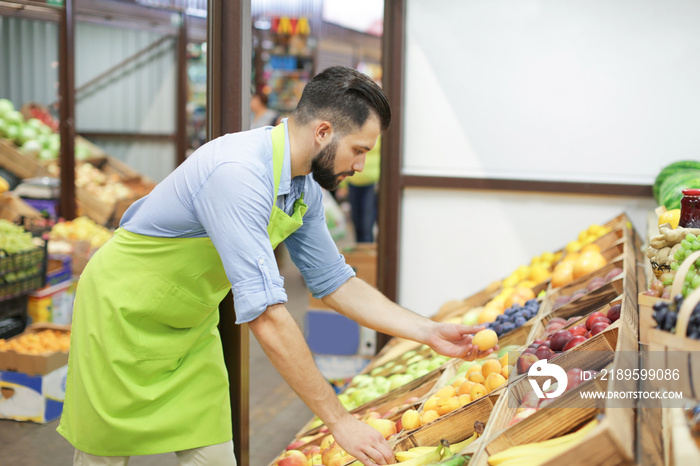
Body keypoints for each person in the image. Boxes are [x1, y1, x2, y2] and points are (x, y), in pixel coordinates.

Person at [57, 66, 494, 466]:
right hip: (122, 315)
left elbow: (335, 282)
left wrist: (426, 331)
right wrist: (339, 421)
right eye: (358, 150)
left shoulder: (301, 187)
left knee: (212, 454)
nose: (360, 167)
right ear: (323, 131)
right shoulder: (239, 174)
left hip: (187, 326)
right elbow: (266, 316)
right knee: (104, 454)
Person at [343, 134, 381, 242]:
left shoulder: (378, 133)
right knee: (356, 223)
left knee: (366, 224)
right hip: (353, 181)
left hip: (371, 182)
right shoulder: (356, 129)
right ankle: (361, 251)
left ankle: (366, 252)